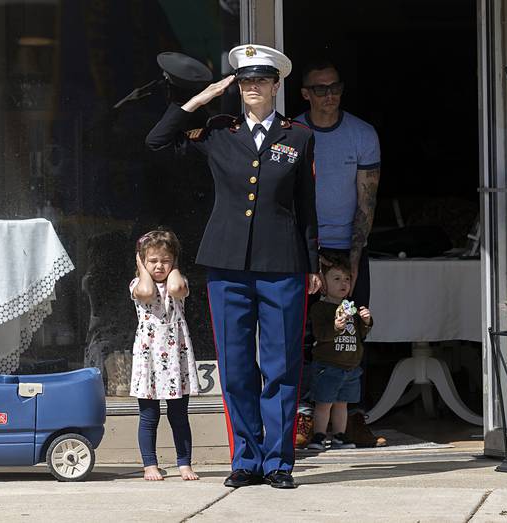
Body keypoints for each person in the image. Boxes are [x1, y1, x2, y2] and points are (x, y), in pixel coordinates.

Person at [146, 44, 321, 489]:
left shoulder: (297, 136)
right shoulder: (219, 133)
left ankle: (278, 463)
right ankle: (246, 459)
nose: (252, 88)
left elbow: (306, 207)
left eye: (261, 80)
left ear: (277, 85)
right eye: (245, 81)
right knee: (237, 366)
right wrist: (199, 101)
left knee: (281, 367)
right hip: (227, 265)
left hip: (283, 265)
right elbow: (158, 141)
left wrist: (313, 264)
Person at [295, 60, 381, 308]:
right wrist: (310, 255)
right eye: (320, 89)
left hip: (348, 247)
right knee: (304, 333)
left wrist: (353, 260)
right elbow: (286, 200)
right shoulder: (293, 133)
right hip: (304, 248)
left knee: (351, 333)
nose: (330, 95)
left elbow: (367, 202)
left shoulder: (362, 134)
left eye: (335, 87)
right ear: (305, 93)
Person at [130, 229, 200, 481]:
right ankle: (150, 464)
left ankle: (184, 463)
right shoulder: (137, 284)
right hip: (149, 358)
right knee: (149, 415)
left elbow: (175, 287)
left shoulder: (178, 282)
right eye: (153, 260)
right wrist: (141, 268)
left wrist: (174, 268)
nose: (159, 265)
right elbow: (147, 292)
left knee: (179, 415)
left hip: (174, 358)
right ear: (142, 261)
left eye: (165, 260)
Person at [306, 259, 373, 451]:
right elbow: (320, 335)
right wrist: (335, 326)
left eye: (347, 279)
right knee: (324, 403)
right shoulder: (320, 308)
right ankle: (319, 435)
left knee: (342, 404)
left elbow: (359, 335)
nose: (343, 283)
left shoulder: (350, 307)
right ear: (323, 284)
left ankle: (339, 435)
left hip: (350, 367)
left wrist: (367, 322)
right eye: (336, 278)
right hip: (328, 365)